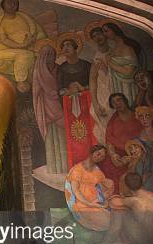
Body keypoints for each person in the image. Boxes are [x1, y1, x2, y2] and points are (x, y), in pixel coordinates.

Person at [90, 173, 153, 244]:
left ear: (127, 186)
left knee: (118, 212)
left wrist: (121, 194)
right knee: (127, 211)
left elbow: (112, 203)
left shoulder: (135, 201)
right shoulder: (152, 195)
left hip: (146, 243)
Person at [0, 0, 47, 92]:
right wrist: (19, 45)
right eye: (8, 3)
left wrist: (30, 42)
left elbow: (38, 33)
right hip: (13, 47)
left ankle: (21, 81)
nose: (12, 5)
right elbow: (4, 39)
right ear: (3, 5)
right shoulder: (2, 22)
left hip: (30, 47)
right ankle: (15, 72)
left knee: (25, 55)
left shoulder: (24, 17)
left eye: (14, 3)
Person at [56, 36, 94, 167]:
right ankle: (76, 164)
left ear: (76, 48)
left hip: (87, 103)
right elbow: (59, 90)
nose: (66, 48)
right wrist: (68, 91)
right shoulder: (61, 69)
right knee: (74, 134)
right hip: (70, 105)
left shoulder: (86, 65)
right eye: (63, 46)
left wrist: (81, 88)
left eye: (68, 45)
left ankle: (93, 162)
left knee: (90, 133)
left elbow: (94, 84)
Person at [32, 43, 67, 174]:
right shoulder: (38, 72)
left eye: (52, 55)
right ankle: (54, 168)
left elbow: (62, 85)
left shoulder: (59, 69)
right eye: (47, 55)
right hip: (46, 109)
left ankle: (66, 167)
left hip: (59, 105)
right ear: (42, 57)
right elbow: (36, 93)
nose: (50, 58)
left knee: (63, 137)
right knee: (51, 138)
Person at [99, 93, 142, 193]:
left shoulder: (137, 115)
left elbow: (144, 137)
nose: (117, 103)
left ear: (125, 100)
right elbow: (109, 141)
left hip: (137, 151)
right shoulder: (113, 121)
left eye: (119, 100)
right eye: (113, 102)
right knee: (107, 166)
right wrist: (113, 155)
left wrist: (133, 155)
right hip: (119, 153)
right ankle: (118, 198)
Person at [65, 145, 114, 231]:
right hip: (83, 205)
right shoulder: (77, 169)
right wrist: (89, 203)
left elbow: (102, 188)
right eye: (98, 154)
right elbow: (76, 191)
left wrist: (104, 200)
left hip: (96, 202)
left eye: (102, 157)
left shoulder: (97, 171)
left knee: (113, 220)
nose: (100, 157)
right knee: (107, 223)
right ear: (92, 152)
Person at [121, 139, 153, 210]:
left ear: (143, 148)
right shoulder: (139, 163)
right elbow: (132, 181)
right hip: (143, 195)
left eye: (136, 147)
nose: (133, 151)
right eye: (131, 149)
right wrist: (133, 164)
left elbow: (149, 185)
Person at [87, 23, 114, 143]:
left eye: (99, 33)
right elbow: (92, 81)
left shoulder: (115, 52)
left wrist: (107, 70)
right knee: (104, 119)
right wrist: (95, 103)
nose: (98, 37)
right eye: (94, 36)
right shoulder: (96, 58)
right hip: (103, 93)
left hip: (115, 89)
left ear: (105, 34)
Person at [102, 22, 141, 104]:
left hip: (128, 87)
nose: (104, 34)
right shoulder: (114, 49)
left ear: (114, 30)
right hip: (117, 86)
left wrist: (109, 62)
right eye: (103, 32)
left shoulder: (127, 48)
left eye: (106, 31)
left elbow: (128, 72)